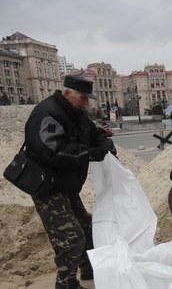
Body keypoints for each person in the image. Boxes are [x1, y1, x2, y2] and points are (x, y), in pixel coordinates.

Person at [24, 74, 117, 289]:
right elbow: (52, 152)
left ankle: (88, 268)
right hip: (47, 186)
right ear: (67, 94)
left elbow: (92, 133)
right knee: (71, 239)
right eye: (83, 98)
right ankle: (66, 285)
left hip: (66, 185)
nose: (87, 103)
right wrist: (92, 153)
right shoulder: (47, 114)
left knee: (87, 227)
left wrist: (103, 141)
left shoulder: (75, 112)